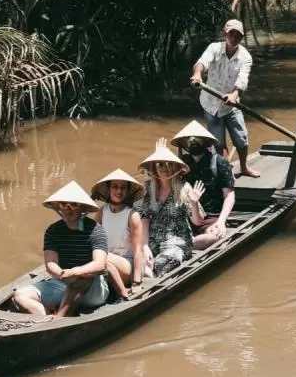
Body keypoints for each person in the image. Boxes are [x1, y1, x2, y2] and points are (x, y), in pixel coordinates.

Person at [11, 181, 109, 318]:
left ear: (82, 208)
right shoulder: (53, 231)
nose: (69, 209)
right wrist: (63, 274)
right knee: (20, 295)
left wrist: (74, 272)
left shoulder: (95, 230)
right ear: (59, 208)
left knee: (83, 278)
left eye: (74, 204)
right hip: (62, 283)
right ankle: (45, 320)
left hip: (93, 290)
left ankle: (59, 318)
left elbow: (99, 264)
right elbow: (51, 264)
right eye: (64, 205)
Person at [190, 18, 259, 177]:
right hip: (211, 104)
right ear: (225, 34)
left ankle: (243, 167)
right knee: (218, 143)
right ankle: (224, 173)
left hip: (232, 105)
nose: (234, 38)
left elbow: (243, 78)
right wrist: (197, 74)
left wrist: (235, 94)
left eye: (238, 36)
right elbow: (202, 62)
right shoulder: (214, 48)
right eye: (231, 34)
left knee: (241, 139)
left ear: (242, 37)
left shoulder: (245, 57)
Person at [134, 140, 200, 276]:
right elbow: (144, 220)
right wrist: (145, 247)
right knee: (137, 258)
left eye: (169, 164)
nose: (164, 168)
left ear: (175, 167)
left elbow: (198, 222)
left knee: (163, 262)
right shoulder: (147, 189)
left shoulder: (184, 188)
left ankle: (151, 276)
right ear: (154, 168)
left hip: (177, 241)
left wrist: (194, 203)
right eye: (160, 164)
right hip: (153, 239)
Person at [172, 120, 236, 250]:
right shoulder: (181, 164)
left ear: (205, 142)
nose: (193, 143)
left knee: (212, 237)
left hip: (211, 217)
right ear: (185, 145)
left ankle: (184, 245)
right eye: (189, 141)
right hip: (186, 215)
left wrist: (221, 221)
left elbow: (229, 195)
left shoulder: (219, 162)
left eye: (197, 140)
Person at [90, 169, 146, 299]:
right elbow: (89, 238)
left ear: (127, 191)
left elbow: (138, 250)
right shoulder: (101, 212)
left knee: (101, 257)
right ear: (108, 189)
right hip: (105, 262)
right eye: (115, 187)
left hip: (127, 265)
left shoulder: (132, 215)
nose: (119, 191)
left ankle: (122, 290)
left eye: (123, 187)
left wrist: (136, 281)